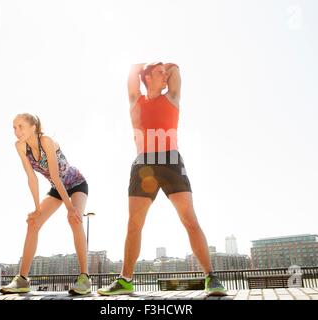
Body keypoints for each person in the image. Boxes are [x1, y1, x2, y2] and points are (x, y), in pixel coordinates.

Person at [97, 63, 227, 296]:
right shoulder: (136, 100)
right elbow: (132, 74)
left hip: (171, 162)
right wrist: (144, 67)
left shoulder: (172, 98)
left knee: (189, 219)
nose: (165, 76)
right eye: (159, 73)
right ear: (147, 77)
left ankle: (211, 277)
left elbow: (176, 71)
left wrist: (167, 66)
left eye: (165, 74)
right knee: (134, 223)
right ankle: (125, 280)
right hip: (143, 163)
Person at [0, 113, 91, 295]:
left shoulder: (46, 141)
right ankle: (22, 280)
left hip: (76, 184)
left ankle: (85, 279)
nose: (16, 131)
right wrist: (36, 209)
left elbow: (56, 176)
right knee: (33, 222)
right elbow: (31, 177)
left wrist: (70, 208)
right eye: (14, 127)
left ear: (33, 127)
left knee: (74, 219)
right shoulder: (20, 146)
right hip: (56, 188)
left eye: (21, 126)